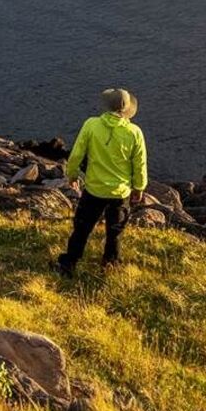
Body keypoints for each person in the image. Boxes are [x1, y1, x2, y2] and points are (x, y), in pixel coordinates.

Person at [57, 87, 147, 275]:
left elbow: (76, 154)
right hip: (120, 192)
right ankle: (109, 266)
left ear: (107, 106)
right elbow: (139, 164)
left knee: (82, 228)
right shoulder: (134, 132)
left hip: (94, 188)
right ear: (127, 109)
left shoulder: (91, 125)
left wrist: (72, 175)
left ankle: (69, 264)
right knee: (114, 232)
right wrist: (139, 188)